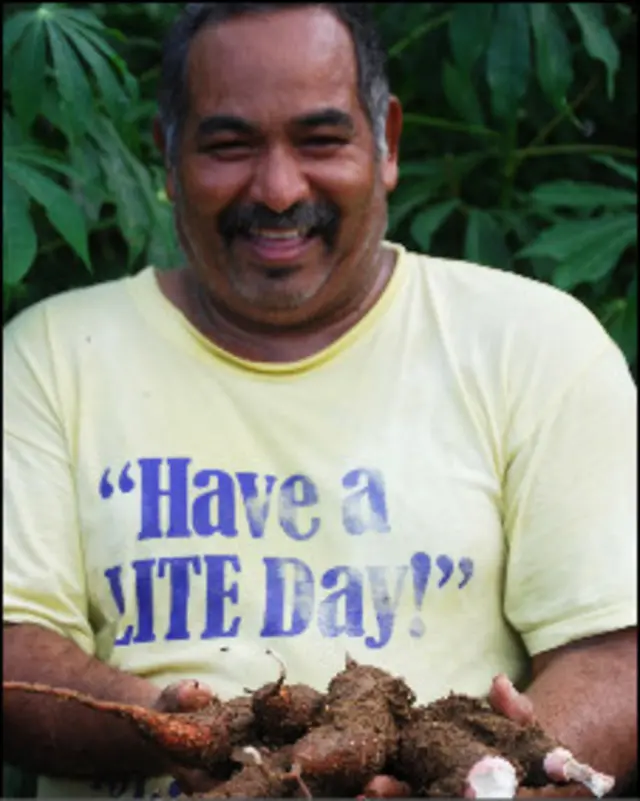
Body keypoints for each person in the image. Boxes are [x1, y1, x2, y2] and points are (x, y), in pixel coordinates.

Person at [3, 3, 637, 799]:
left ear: (387, 144)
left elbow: (616, 652)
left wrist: (490, 775)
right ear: (168, 158)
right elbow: (10, 643)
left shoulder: (535, 344)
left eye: (320, 139)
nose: (276, 188)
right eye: (229, 145)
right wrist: (159, 720)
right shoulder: (50, 356)